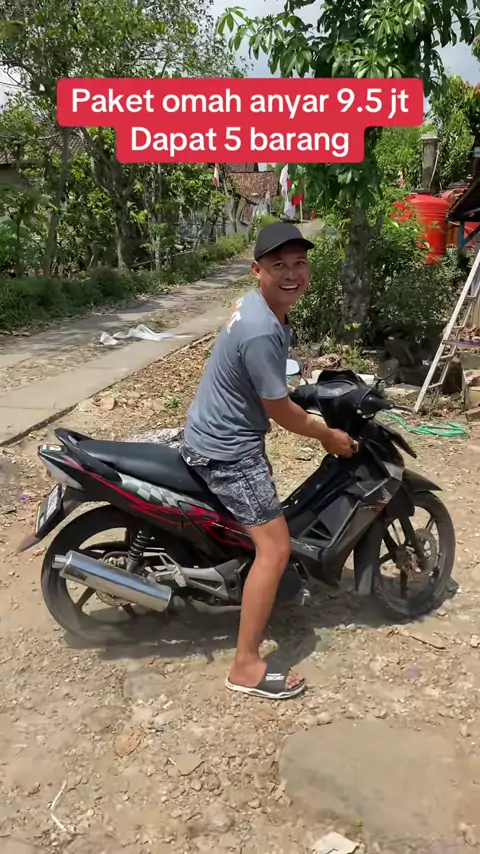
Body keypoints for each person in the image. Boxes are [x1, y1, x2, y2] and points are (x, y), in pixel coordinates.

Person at [180, 222, 357, 700]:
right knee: (275, 548)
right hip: (228, 450)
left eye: (300, 263)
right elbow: (280, 412)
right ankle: (245, 665)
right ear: (257, 270)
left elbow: (265, 385)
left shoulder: (256, 307)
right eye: (279, 265)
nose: (292, 274)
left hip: (213, 431)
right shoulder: (262, 328)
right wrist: (327, 435)